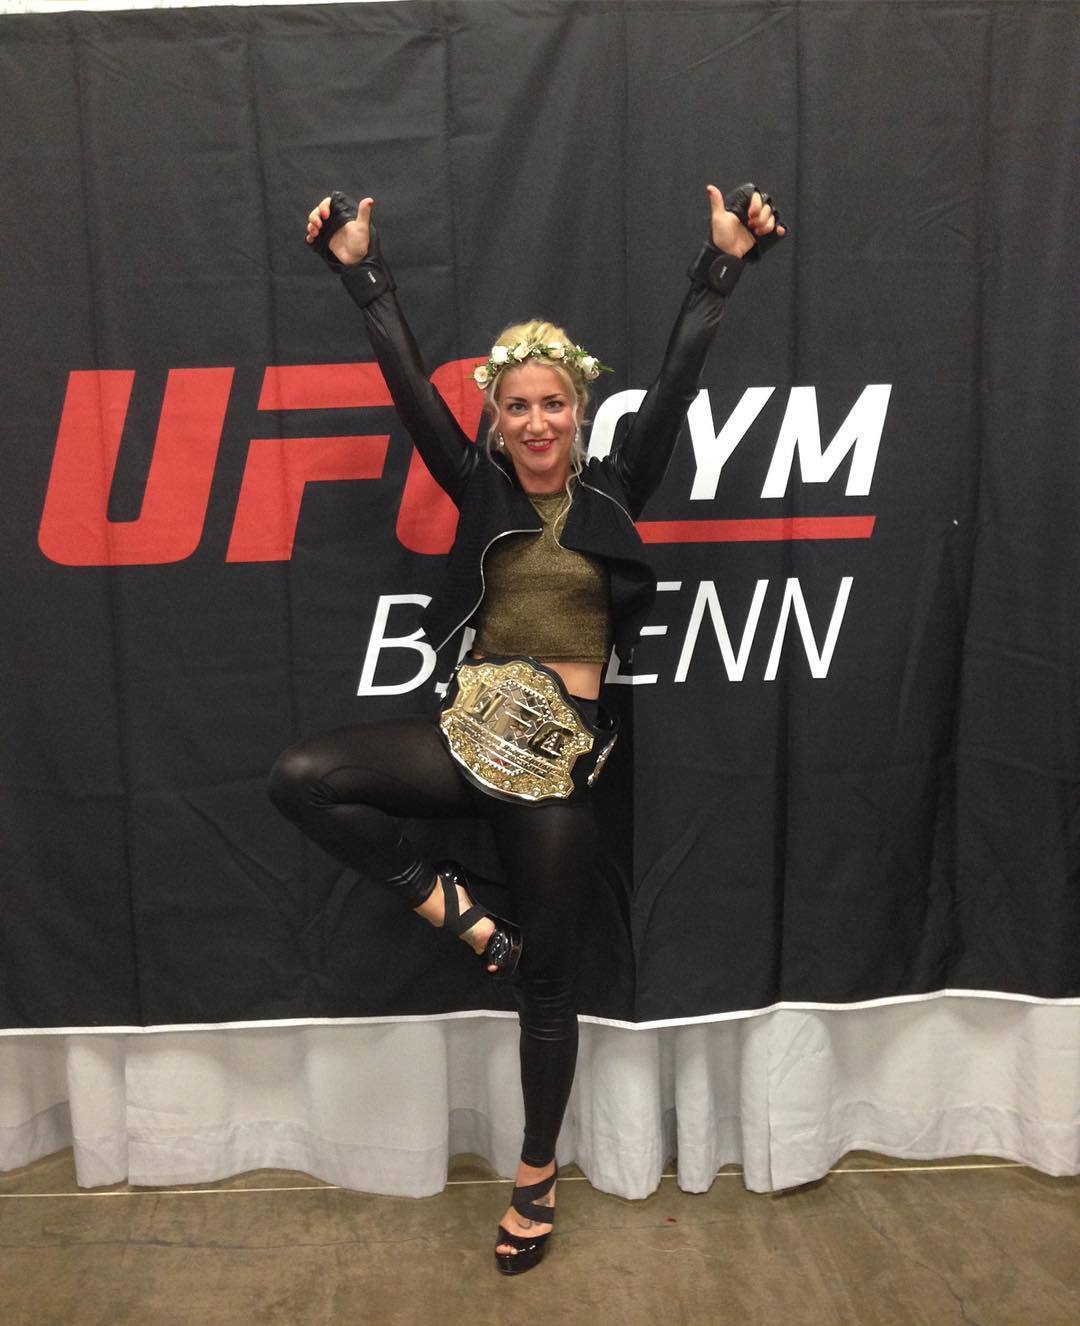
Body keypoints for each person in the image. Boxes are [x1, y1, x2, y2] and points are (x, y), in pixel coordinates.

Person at [268, 178, 786, 1274]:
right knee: (304, 775)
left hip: (560, 772)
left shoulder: (616, 490)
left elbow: (681, 379)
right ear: (495, 418)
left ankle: (537, 1174)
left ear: (579, 412)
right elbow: (407, 381)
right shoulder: (477, 484)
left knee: (550, 985)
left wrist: (723, 264)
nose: (537, 422)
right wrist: (360, 270)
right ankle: (464, 916)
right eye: (517, 406)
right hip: (469, 739)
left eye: (554, 404)